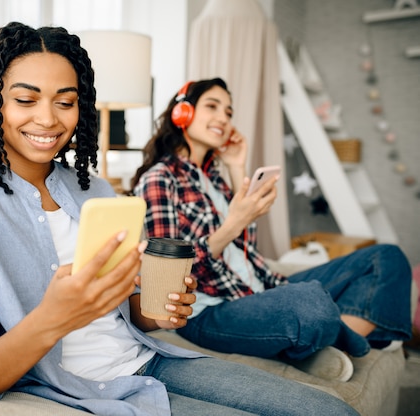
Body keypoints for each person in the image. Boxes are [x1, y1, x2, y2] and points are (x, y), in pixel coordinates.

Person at [0, 22, 360, 416]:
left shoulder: (96, 192)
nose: (47, 118)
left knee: (330, 411)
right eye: (26, 99)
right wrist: (51, 318)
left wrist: (160, 309)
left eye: (65, 103)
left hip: (151, 359)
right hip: (78, 387)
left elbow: (130, 311)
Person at [130, 78, 412, 382]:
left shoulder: (215, 177)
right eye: (212, 106)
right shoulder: (160, 179)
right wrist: (233, 224)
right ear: (182, 113)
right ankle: (344, 337)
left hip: (260, 289)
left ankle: (324, 345)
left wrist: (238, 166)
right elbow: (171, 274)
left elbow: (246, 251)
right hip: (208, 311)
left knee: (387, 258)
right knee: (310, 304)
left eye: (228, 112)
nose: (224, 118)